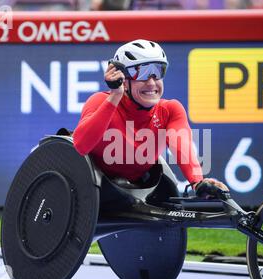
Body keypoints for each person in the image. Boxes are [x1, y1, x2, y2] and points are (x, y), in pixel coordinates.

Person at [73, 39, 228, 197]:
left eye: (158, 71)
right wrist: (114, 97)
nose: (152, 82)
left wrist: (198, 182)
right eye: (143, 72)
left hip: (138, 186)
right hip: (91, 186)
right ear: (124, 80)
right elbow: (80, 146)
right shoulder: (100, 101)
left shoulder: (170, 110)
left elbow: (183, 148)